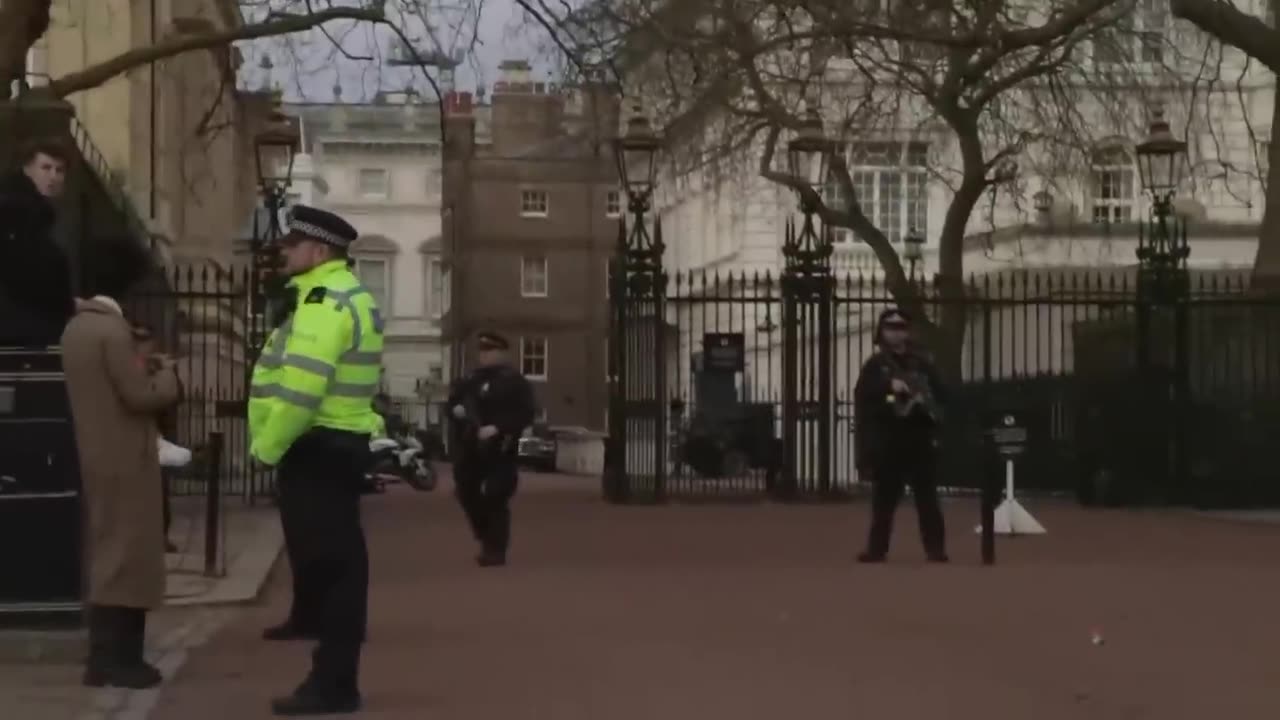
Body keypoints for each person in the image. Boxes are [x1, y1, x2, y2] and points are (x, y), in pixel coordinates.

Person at [247, 204, 383, 716]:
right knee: (334, 561)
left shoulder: (324, 302)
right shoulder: (338, 295)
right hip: (334, 442)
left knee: (335, 566)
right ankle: (331, 673)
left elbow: (302, 388)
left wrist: (267, 447)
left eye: (292, 244)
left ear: (319, 251)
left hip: (319, 444)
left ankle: (333, 683)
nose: (284, 251)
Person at [61, 236, 182, 689]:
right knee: (129, 559)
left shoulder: (76, 328)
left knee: (108, 551)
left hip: (95, 451)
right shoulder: (112, 330)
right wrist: (168, 373)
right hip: (126, 455)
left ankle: (104, 658)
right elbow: (140, 396)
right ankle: (119, 659)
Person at [853, 308, 949, 564]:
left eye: (901, 327)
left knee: (927, 498)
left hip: (919, 437)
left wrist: (925, 401)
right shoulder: (876, 365)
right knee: (884, 500)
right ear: (882, 332)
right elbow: (864, 397)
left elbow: (942, 394)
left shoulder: (922, 363)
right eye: (891, 328)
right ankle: (877, 549)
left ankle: (936, 549)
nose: (897, 333)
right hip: (889, 439)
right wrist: (889, 389)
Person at [448, 331, 536, 567]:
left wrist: (498, 427)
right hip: (471, 447)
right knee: (466, 492)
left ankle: (495, 549)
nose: (485, 356)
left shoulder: (514, 381)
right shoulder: (471, 379)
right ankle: (485, 533)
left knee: (496, 496)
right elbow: (452, 402)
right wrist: (456, 411)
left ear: (501, 353)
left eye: (490, 351)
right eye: (482, 351)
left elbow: (526, 413)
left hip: (500, 447)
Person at [0, 137, 76, 346]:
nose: (53, 176)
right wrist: (65, 303)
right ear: (27, 169)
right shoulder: (17, 210)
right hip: (22, 328)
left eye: (59, 170)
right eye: (46, 167)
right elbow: (28, 269)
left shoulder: (32, 210)